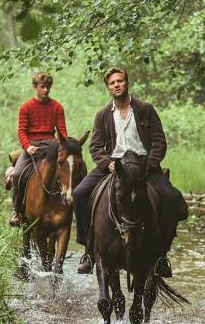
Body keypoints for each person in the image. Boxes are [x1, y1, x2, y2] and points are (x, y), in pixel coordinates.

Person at [73, 67, 188, 276]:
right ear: (108, 88)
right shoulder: (102, 115)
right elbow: (96, 147)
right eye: (112, 83)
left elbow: (159, 142)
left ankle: (161, 256)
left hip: (143, 165)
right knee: (79, 193)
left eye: (120, 81)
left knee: (171, 198)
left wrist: (150, 164)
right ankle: (88, 251)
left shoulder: (145, 109)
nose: (116, 85)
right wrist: (106, 163)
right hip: (115, 166)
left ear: (127, 83)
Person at [9, 71, 68, 226]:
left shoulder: (57, 107)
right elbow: (22, 131)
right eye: (42, 87)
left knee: (70, 168)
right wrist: (27, 147)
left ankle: (68, 202)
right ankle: (17, 211)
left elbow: (62, 132)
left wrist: (62, 146)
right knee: (17, 174)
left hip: (52, 144)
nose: (46, 90)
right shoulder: (26, 107)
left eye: (48, 87)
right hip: (33, 145)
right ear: (35, 87)